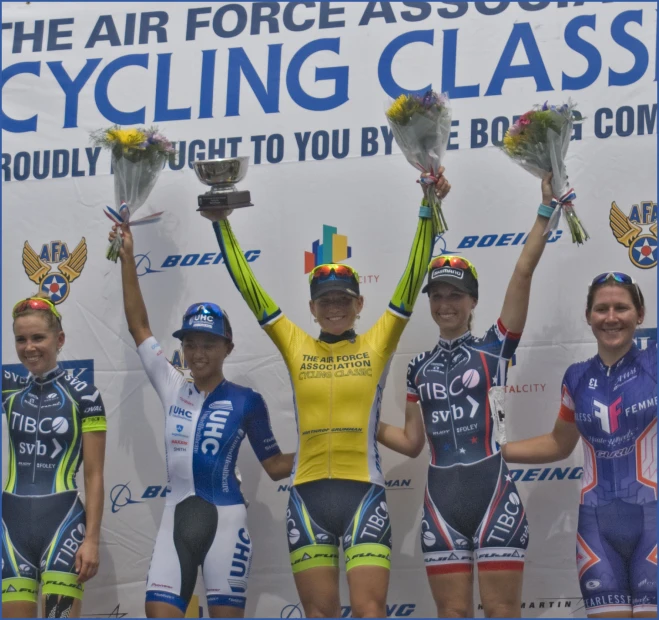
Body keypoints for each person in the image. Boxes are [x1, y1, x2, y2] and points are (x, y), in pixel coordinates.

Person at [204, 170, 450, 618]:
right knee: (319, 615)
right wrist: (222, 225)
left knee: (370, 612)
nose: (334, 307)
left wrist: (427, 209)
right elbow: (251, 291)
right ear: (312, 307)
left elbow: (412, 280)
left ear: (359, 305)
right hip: (306, 499)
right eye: (325, 301)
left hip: (364, 495)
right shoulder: (296, 345)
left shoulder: (378, 342)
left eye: (343, 299)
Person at [110, 223, 294, 618]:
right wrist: (127, 258)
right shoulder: (173, 386)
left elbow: (277, 468)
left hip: (227, 524)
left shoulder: (247, 401)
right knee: (157, 612)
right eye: (190, 343)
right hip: (175, 519)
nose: (197, 352)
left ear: (228, 347)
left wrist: (326, 446)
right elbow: (138, 326)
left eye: (208, 343)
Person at [405, 174, 556, 618]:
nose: (445, 304)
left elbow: (523, 271)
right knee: (452, 615)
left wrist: (545, 210)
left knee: (501, 611)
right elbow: (412, 442)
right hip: (440, 504)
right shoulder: (417, 368)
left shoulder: (495, 348)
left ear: (472, 301)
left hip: (494, 495)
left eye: (455, 295)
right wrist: (362, 421)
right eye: (437, 295)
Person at [503, 273, 656, 619]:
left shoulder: (655, 363)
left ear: (640, 314)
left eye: (622, 307)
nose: (611, 317)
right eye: (601, 309)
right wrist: (498, 451)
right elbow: (559, 443)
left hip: (653, 521)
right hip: (596, 528)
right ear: (588, 317)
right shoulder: (576, 377)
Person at [2, 293, 107, 619]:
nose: (29, 347)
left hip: (63, 526)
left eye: (38, 338)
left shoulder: (85, 395)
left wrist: (91, 540)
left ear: (59, 339)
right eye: (21, 339)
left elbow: (94, 475)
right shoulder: (9, 391)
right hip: (11, 527)